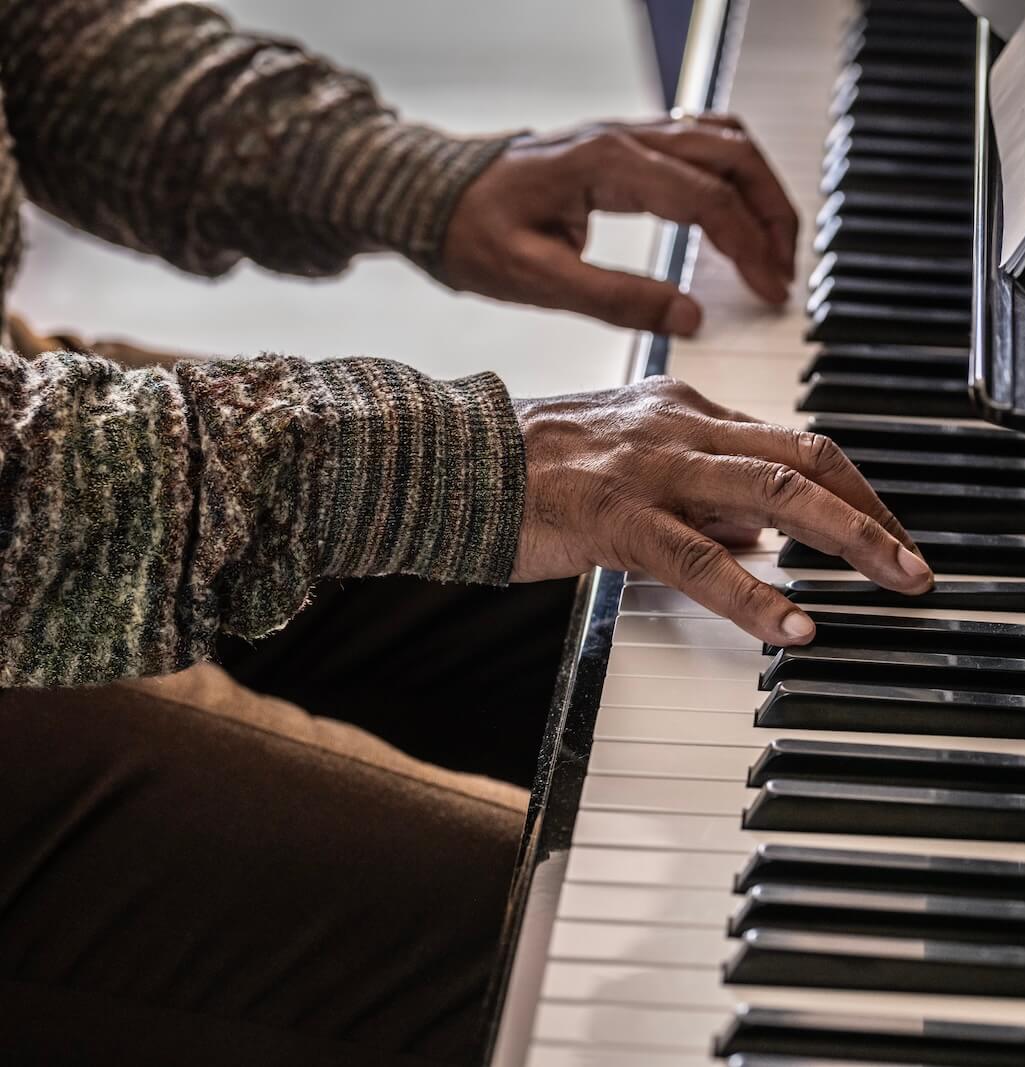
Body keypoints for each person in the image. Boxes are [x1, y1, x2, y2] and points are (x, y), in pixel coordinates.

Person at [0, 3, 935, 1064]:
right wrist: (434, 466)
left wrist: (406, 177)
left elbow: (30, 39)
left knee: (757, 646)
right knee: (610, 983)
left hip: (56, 432)